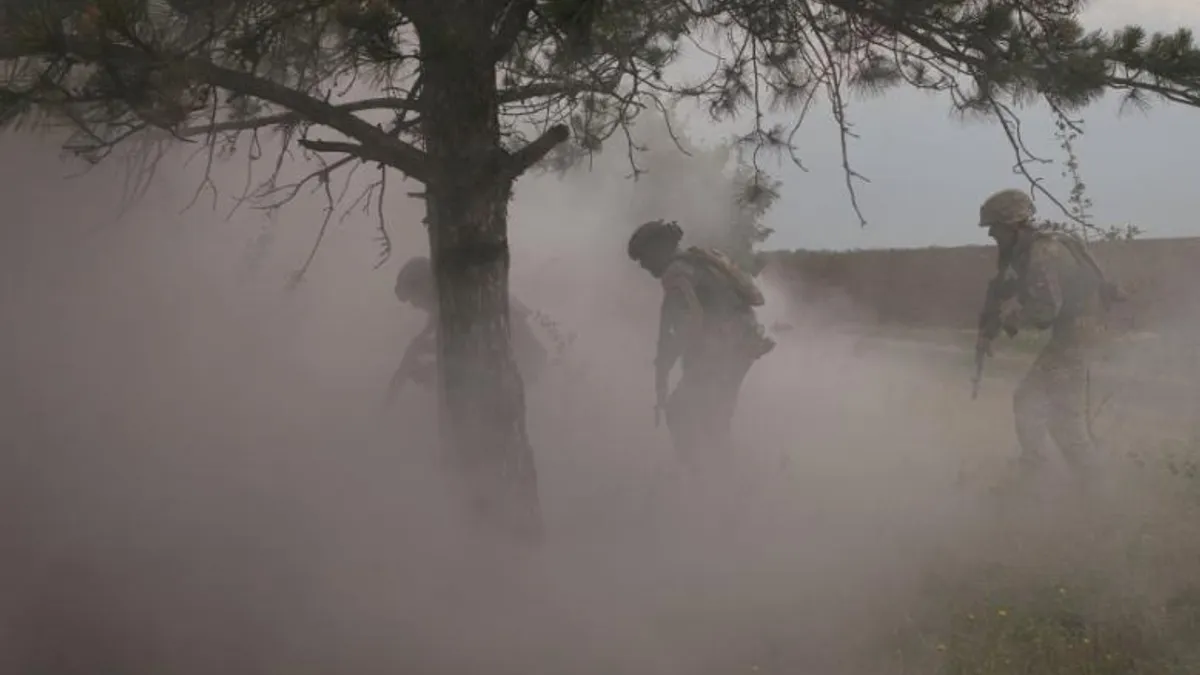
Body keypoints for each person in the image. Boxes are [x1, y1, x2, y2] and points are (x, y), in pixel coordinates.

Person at [977, 188, 1123, 478]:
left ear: (1012, 225)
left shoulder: (1043, 252)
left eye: (994, 227)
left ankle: (1037, 478)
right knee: (1062, 419)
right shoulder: (1040, 245)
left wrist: (1011, 317)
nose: (991, 234)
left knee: (1029, 401)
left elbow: (1044, 312)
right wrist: (989, 328)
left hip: (1077, 336)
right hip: (1079, 334)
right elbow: (1006, 288)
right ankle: (1093, 488)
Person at [626, 219, 776, 466]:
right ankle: (728, 480)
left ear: (659, 248)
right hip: (743, 342)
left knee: (679, 412)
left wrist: (671, 356)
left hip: (724, 348)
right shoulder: (700, 259)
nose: (644, 265)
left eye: (644, 257)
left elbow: (690, 322)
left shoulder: (676, 272)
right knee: (715, 419)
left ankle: (700, 479)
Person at [386, 256, 548, 402]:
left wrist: (430, 369)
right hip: (512, 368)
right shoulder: (447, 303)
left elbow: (467, 350)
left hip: (519, 370)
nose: (415, 305)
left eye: (414, 297)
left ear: (427, 286)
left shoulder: (461, 301)